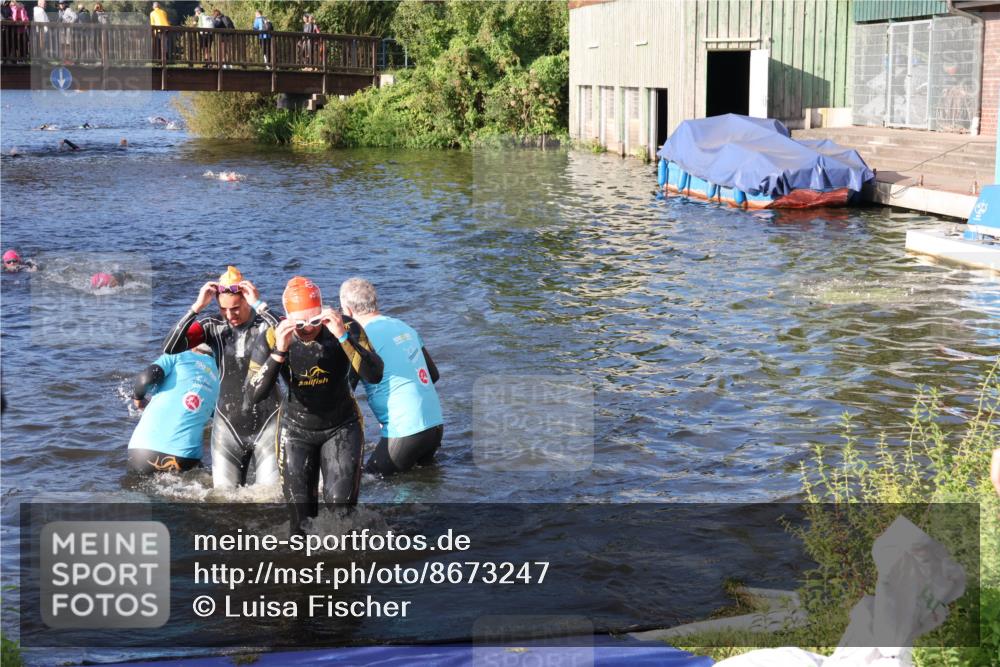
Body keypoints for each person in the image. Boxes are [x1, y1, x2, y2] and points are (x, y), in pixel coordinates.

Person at [247, 276, 383, 535]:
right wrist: (279, 351)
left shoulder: (348, 328)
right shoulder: (272, 337)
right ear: (287, 317)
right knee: (300, 523)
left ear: (323, 313)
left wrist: (342, 336)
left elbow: (374, 374)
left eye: (314, 321)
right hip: (295, 431)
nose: (307, 329)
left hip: (342, 426)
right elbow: (252, 395)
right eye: (299, 323)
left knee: (342, 515)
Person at [163, 266, 281, 489]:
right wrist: (196, 307)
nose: (229, 315)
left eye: (235, 308)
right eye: (223, 309)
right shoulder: (212, 327)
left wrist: (261, 305)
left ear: (247, 299)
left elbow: (291, 333)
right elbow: (169, 347)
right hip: (228, 424)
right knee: (224, 501)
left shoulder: (266, 324)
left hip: (269, 422)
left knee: (269, 499)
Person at [339, 278, 444, 476]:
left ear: (348, 311)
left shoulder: (358, 340)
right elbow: (433, 375)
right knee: (419, 485)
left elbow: (345, 392)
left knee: (368, 482)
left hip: (406, 429)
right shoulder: (404, 326)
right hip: (435, 426)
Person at [128, 345, 220, 475]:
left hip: (142, 450)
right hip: (185, 457)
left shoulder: (177, 356)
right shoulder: (221, 376)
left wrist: (138, 398)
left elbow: (146, 379)